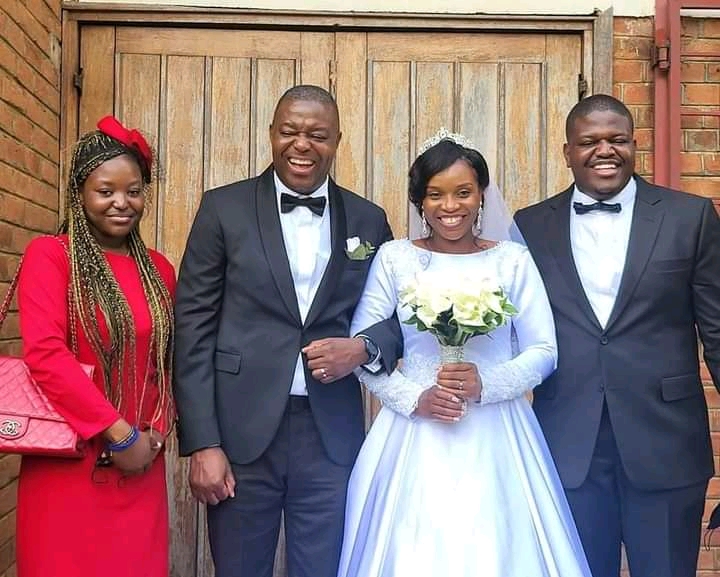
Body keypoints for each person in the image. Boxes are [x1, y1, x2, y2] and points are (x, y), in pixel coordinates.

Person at [337, 135, 593, 577]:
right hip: (414, 432)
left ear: (481, 195)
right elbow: (364, 349)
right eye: (435, 194)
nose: (450, 206)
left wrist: (487, 384)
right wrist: (414, 399)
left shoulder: (512, 260)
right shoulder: (395, 259)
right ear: (420, 199)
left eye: (463, 192)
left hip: (497, 431)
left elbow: (544, 350)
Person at [173, 84, 400, 577]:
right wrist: (203, 442)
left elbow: (396, 318)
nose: (302, 144)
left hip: (330, 436)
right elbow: (192, 327)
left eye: (317, 134)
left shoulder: (368, 219)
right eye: (290, 131)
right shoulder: (222, 209)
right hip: (239, 433)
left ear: (337, 141)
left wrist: (362, 349)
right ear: (271, 133)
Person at [514, 94, 720, 577]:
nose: (604, 150)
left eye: (617, 139)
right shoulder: (530, 225)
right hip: (568, 445)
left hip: (666, 444)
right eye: (589, 141)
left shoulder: (689, 217)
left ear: (634, 145)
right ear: (567, 152)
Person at [15, 116, 176, 577]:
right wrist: (117, 433)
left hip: (140, 467)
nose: (122, 203)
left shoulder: (159, 270)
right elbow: (46, 355)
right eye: (106, 191)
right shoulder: (51, 256)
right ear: (80, 193)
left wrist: (156, 431)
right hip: (69, 467)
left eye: (133, 191)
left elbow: (167, 360)